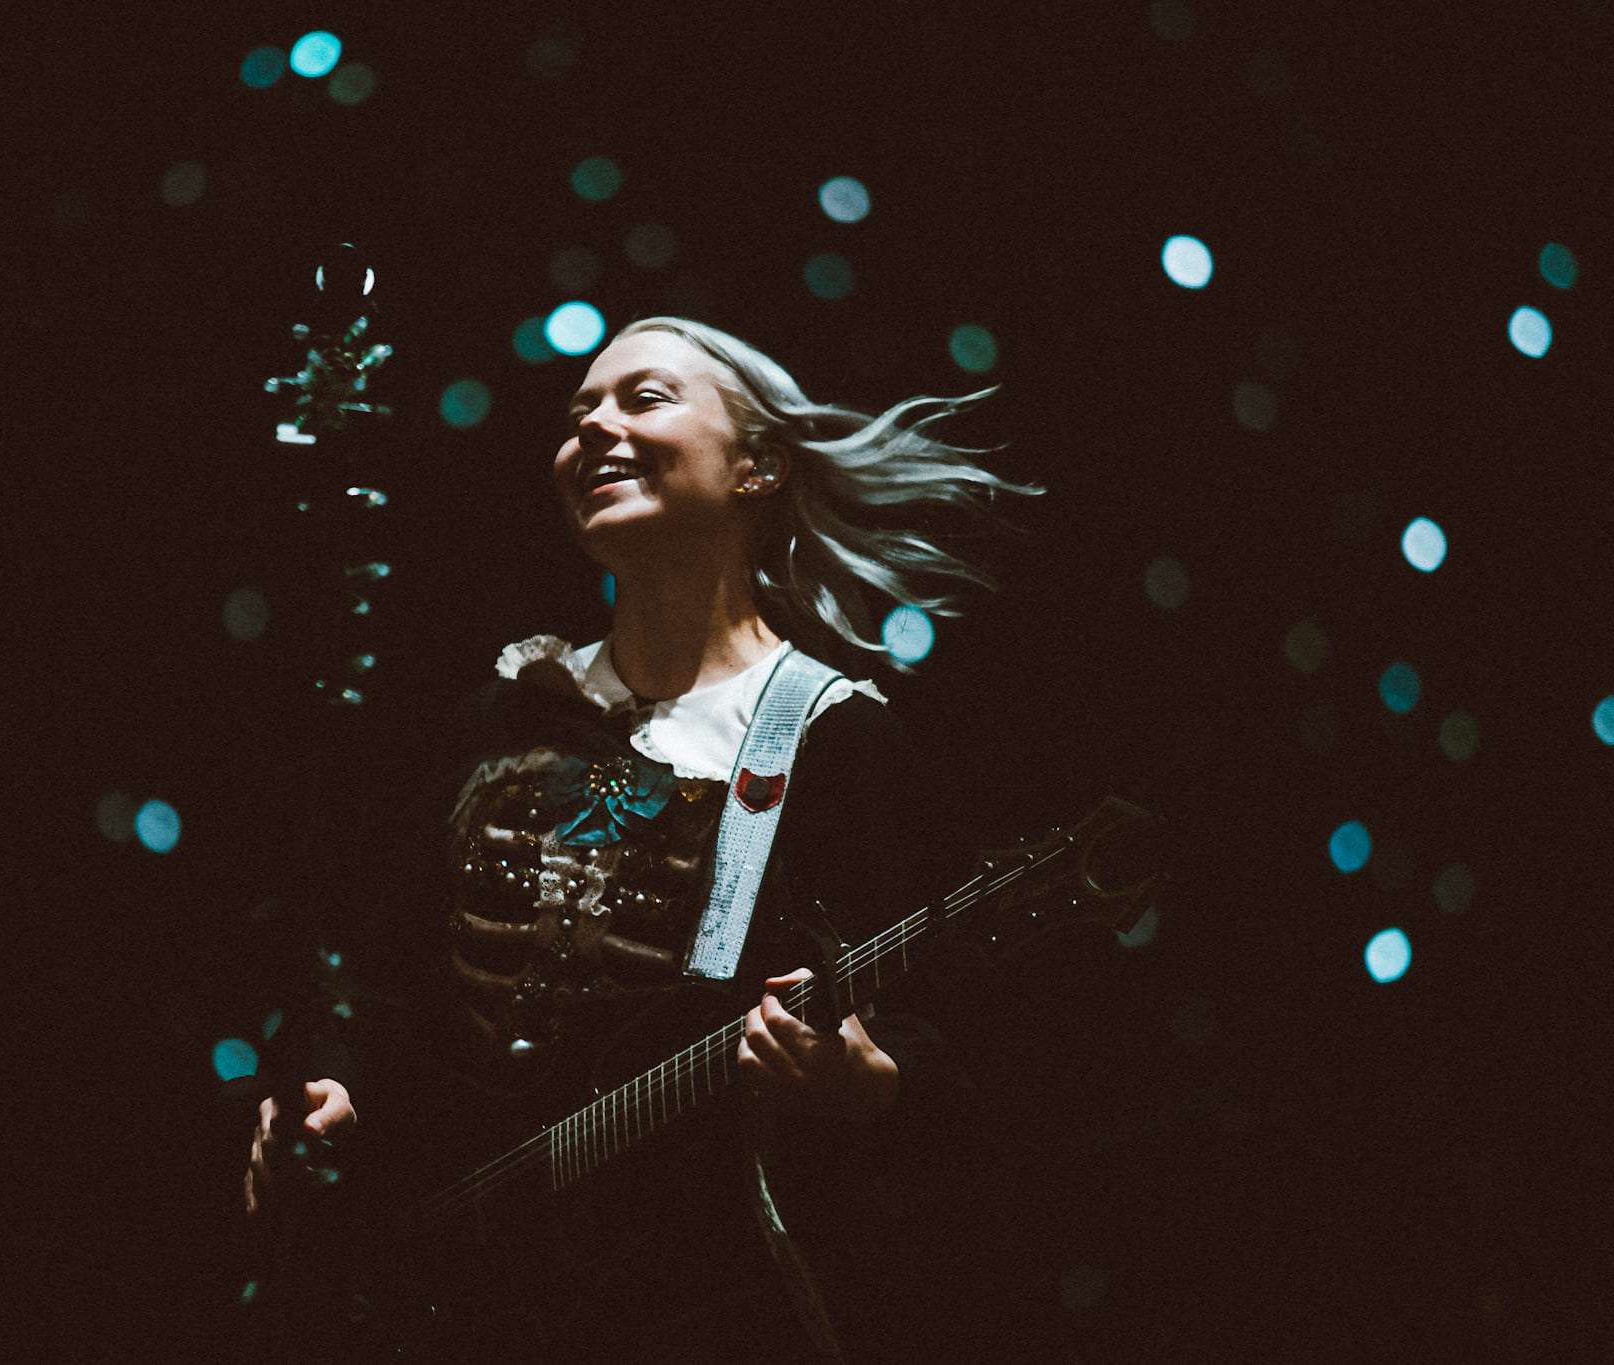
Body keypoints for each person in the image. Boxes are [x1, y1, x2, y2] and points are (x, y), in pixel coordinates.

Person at [245, 316, 1044, 1358]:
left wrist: (868, 1083)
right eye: (577, 416)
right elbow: (383, 969)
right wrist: (330, 1085)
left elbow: (963, 1053)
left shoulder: (829, 738)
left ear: (756, 465)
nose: (594, 433)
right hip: (447, 1286)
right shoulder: (508, 704)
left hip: (680, 1301)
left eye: (642, 399)